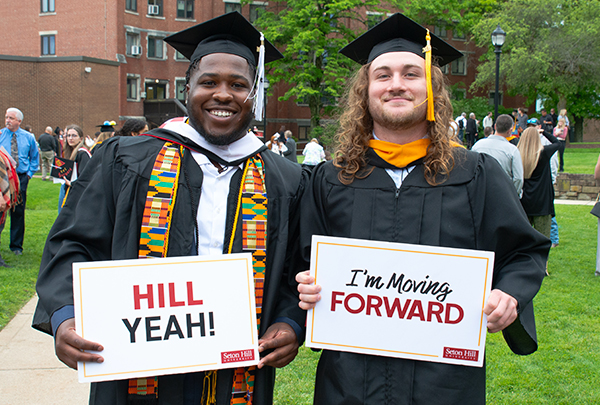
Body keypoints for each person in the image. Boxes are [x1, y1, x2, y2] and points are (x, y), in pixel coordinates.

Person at [33, 11, 307, 405]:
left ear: (254, 94)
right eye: (208, 82)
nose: (223, 94)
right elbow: (72, 244)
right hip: (136, 371)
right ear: (187, 86)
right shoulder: (125, 159)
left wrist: (289, 322)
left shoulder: (286, 179)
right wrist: (65, 316)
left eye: (238, 84)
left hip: (236, 374)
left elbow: (297, 269)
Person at [295, 13, 549, 404]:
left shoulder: (475, 174)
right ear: (365, 91)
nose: (396, 84)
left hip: (444, 386)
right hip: (348, 383)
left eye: (411, 73)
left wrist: (509, 294)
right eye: (383, 75)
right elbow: (299, 263)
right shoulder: (332, 179)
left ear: (433, 89)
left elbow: (524, 252)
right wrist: (306, 286)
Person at [517, 126, 560, 266]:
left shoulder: (518, 154)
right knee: (543, 237)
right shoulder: (544, 153)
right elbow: (557, 143)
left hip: (524, 202)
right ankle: (542, 265)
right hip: (542, 202)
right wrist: (544, 132)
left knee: (524, 237)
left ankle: (523, 263)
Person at [0, 108, 40, 255]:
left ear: (19, 121)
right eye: (6, 117)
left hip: (21, 178)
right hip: (3, 178)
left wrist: (28, 175)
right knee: (0, 210)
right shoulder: (1, 135)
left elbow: (35, 158)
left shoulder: (28, 137)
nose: (7, 120)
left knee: (18, 211)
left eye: (11, 118)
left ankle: (16, 246)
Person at [472, 114, 524, 197]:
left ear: (495, 126)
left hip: (480, 192)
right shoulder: (512, 150)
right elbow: (518, 178)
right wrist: (513, 194)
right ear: (510, 130)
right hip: (503, 194)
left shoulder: (477, 145)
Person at [57, 125, 92, 212]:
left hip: (79, 193)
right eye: (68, 135)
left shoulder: (82, 154)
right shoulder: (71, 153)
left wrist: (72, 183)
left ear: (81, 139)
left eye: (74, 135)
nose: (70, 138)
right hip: (71, 189)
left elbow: (86, 176)